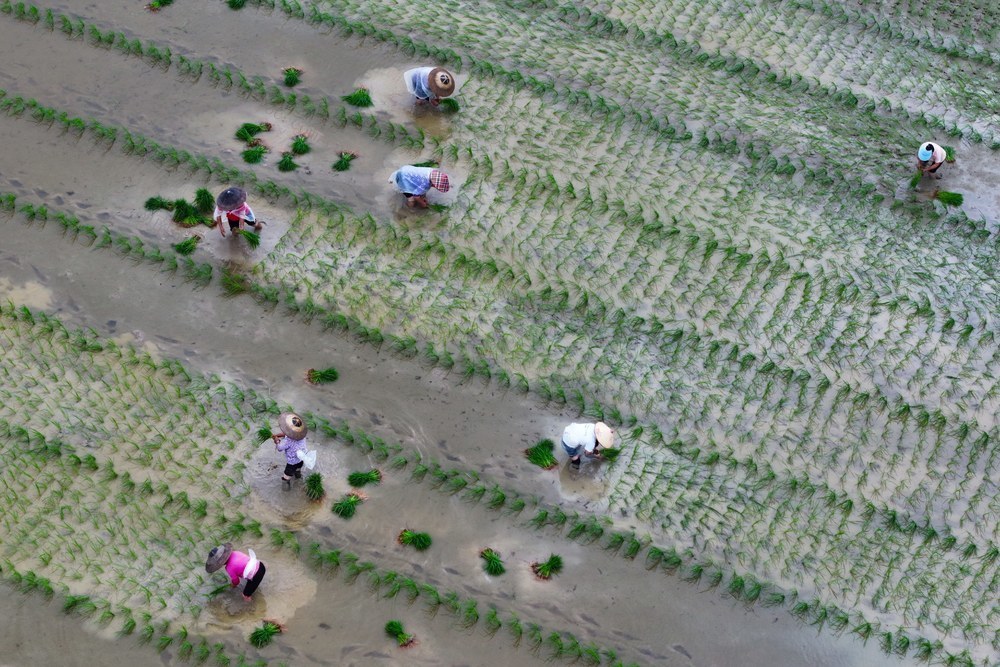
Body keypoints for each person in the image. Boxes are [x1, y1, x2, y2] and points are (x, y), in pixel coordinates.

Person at [272, 412, 308, 488]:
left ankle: (285, 492)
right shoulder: (301, 436)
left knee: (286, 478)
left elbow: (279, 448)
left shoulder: (288, 441)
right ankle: (298, 479)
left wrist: (277, 441)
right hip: (300, 460)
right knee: (297, 471)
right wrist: (278, 435)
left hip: (291, 464)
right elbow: (287, 434)